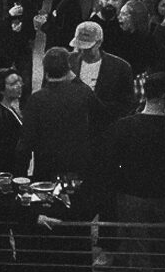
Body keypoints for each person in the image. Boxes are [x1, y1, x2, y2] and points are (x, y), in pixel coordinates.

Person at [101, 71, 165, 225]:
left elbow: (109, 164)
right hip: (163, 199)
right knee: (160, 244)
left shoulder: (123, 126)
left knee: (133, 246)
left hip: (130, 198)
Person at [19, 47, 108, 184]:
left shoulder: (36, 99)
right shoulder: (83, 92)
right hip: (78, 166)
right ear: (69, 68)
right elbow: (103, 118)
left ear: (45, 70)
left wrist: (21, 175)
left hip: (46, 168)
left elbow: (26, 141)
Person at [69, 19, 135, 115]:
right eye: (79, 47)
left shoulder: (121, 68)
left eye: (87, 48)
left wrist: (98, 108)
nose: (82, 51)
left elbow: (127, 104)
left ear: (99, 43)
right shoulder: (67, 61)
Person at [0, 68, 27, 176]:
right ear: (1, 89)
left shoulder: (10, 109)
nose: (19, 86)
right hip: (6, 168)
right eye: (13, 84)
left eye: (19, 82)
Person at [109, 0, 165, 75]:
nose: (119, 17)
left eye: (123, 14)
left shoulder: (149, 42)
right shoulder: (119, 38)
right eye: (120, 14)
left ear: (136, 17)